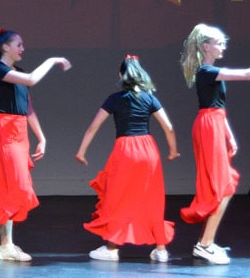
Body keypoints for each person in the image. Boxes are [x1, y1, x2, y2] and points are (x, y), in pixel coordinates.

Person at [178, 24, 250, 264]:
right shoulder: (207, 71)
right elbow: (247, 74)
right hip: (209, 126)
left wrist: (229, 135)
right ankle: (205, 245)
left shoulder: (208, 72)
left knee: (223, 186)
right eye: (219, 43)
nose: (223, 46)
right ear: (206, 47)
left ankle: (204, 242)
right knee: (223, 187)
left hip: (213, 123)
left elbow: (217, 107)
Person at [0, 29, 71, 263]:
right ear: (5, 47)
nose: (22, 49)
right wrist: (52, 60)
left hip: (19, 131)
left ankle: (4, 244)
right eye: (18, 44)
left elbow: (28, 108)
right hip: (4, 129)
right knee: (15, 187)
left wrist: (41, 137)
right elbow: (31, 80)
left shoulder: (17, 72)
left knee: (12, 188)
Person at [75, 55, 180, 263]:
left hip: (125, 150)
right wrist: (173, 150)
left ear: (120, 75)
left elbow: (93, 127)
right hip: (148, 150)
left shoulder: (115, 99)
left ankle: (112, 248)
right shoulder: (150, 98)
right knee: (152, 199)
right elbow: (168, 127)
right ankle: (161, 250)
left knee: (117, 197)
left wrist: (81, 151)